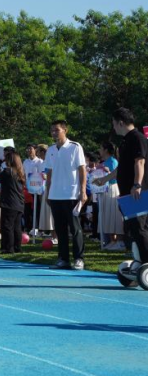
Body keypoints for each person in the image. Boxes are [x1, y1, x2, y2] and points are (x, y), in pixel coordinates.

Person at [95, 108, 148, 266]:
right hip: (126, 193)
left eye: (114, 123)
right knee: (132, 228)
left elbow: (140, 162)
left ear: (121, 122)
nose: (113, 127)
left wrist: (137, 184)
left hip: (137, 192)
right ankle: (140, 261)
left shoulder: (137, 138)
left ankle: (146, 262)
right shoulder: (125, 141)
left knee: (140, 228)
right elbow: (122, 167)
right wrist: (104, 179)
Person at [44, 120, 87, 270]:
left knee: (75, 229)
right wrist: (47, 192)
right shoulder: (50, 150)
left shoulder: (75, 147)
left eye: (57, 130)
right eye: (52, 131)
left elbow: (82, 170)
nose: (54, 133)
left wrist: (83, 191)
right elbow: (49, 173)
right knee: (60, 230)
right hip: (55, 195)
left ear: (65, 130)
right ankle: (63, 259)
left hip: (71, 194)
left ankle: (78, 258)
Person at [96, 141, 124, 250]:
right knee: (107, 214)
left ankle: (120, 241)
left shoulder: (112, 161)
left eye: (101, 148)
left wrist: (106, 172)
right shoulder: (105, 162)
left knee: (114, 215)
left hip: (112, 189)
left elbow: (116, 176)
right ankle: (113, 240)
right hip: (105, 190)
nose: (99, 150)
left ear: (106, 150)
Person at [0, 151, 26, 254]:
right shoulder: (20, 172)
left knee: (7, 226)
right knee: (17, 227)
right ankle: (17, 247)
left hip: (9, 202)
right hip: (19, 202)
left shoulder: (7, 171)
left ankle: (8, 248)